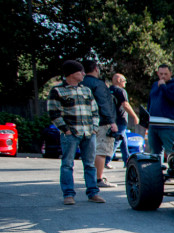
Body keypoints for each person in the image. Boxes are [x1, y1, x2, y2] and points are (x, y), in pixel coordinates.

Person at [48, 60, 103, 205]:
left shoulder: (86, 90)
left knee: (90, 164)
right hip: (71, 134)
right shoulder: (58, 91)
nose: (84, 74)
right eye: (81, 71)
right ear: (72, 74)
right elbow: (53, 113)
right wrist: (65, 130)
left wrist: (94, 128)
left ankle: (93, 193)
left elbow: (95, 111)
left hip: (88, 133)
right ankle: (68, 194)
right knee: (67, 164)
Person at [81, 60, 118, 188]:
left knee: (89, 151)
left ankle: (91, 177)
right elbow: (103, 104)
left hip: (83, 122)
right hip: (101, 122)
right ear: (96, 69)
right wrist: (112, 122)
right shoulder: (99, 84)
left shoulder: (81, 83)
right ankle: (98, 178)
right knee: (101, 150)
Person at [147, 64, 174, 159]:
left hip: (170, 126)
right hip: (154, 124)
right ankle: (156, 172)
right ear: (157, 74)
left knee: (172, 153)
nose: (163, 76)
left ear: (170, 74)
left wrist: (164, 87)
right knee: (154, 154)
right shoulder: (155, 85)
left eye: (166, 74)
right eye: (161, 74)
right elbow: (150, 102)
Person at [110, 73, 140, 165]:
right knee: (117, 140)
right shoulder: (121, 91)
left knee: (123, 141)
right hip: (120, 119)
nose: (125, 83)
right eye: (124, 81)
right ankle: (107, 159)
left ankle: (127, 160)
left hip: (112, 119)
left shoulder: (109, 90)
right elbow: (125, 105)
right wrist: (135, 116)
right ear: (119, 80)